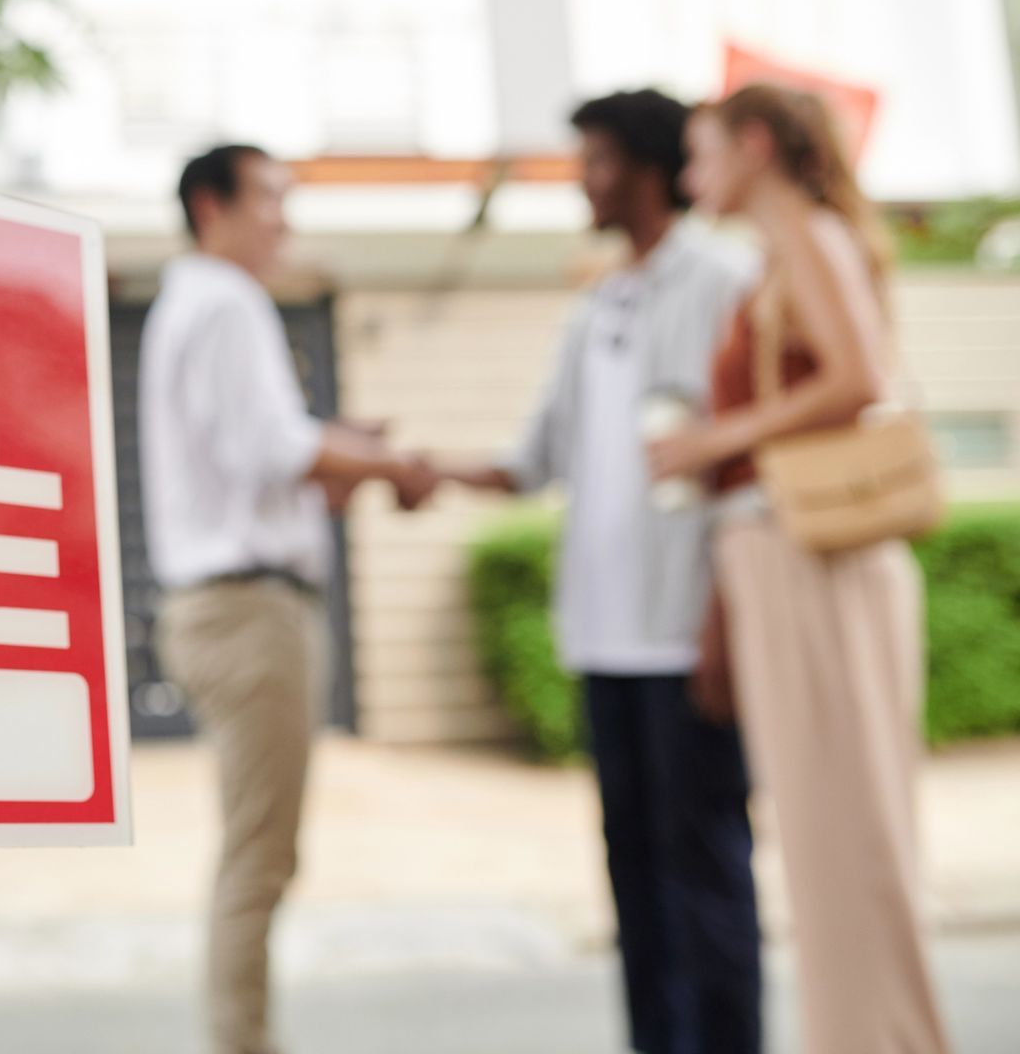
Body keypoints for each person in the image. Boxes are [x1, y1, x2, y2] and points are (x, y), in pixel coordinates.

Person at [431, 91, 763, 1054]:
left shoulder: (725, 279)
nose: (583, 178)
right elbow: (529, 459)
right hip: (604, 638)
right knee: (635, 881)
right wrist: (412, 469)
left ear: (652, 170)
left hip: (684, 631)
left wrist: (722, 621)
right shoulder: (594, 308)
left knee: (707, 874)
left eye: (599, 160)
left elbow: (745, 468)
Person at [648, 85, 951, 1054]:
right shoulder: (786, 252)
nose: (692, 179)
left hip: (813, 555)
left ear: (755, 144)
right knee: (828, 840)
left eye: (700, 155)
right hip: (780, 558)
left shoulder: (809, 237)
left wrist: (713, 438)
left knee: (849, 836)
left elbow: (859, 377)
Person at [140, 144, 436, 1054]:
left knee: (258, 853)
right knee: (259, 859)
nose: (283, 219)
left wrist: (339, 449)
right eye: (268, 197)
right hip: (247, 612)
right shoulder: (225, 301)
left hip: (234, 606)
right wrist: (384, 462)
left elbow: (262, 454)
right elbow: (273, 450)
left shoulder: (195, 303)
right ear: (209, 204)